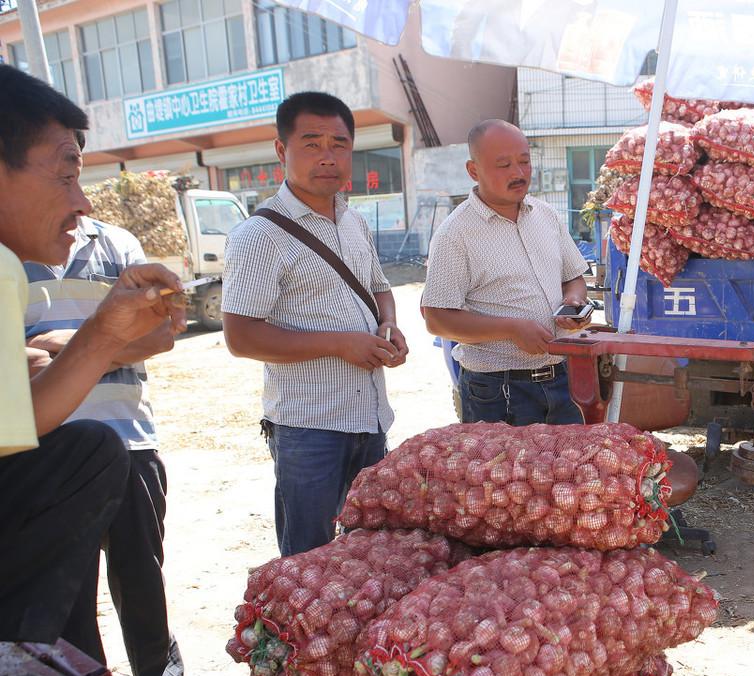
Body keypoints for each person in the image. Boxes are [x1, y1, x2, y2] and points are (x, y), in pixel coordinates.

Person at [24, 216, 239, 676]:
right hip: (44, 452)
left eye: (76, 166)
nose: (73, 189)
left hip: (130, 441)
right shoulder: (12, 253)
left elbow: (161, 335)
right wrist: (103, 340)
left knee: (142, 579)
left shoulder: (118, 246)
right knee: (66, 599)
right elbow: (17, 365)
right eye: (60, 169)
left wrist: (64, 344)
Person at [0, 64, 182, 661]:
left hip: (123, 438)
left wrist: (98, 335)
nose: (81, 201)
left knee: (87, 455)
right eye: (66, 175)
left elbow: (18, 420)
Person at [223, 91, 407, 557]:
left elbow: (379, 287)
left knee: (369, 554)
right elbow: (241, 337)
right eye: (312, 143)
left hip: (370, 420)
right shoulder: (259, 235)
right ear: (282, 151)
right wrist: (340, 344)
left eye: (339, 144)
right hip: (309, 429)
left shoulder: (353, 221)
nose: (328, 157)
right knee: (308, 560)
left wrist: (388, 324)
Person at [421, 119, 590, 426]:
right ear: (474, 170)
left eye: (524, 162)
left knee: (567, 473)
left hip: (562, 379)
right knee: (505, 474)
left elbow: (573, 276)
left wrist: (575, 302)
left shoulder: (546, 215)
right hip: (497, 390)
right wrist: (511, 329)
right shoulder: (455, 234)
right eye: (504, 165)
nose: (518, 173)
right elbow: (436, 318)